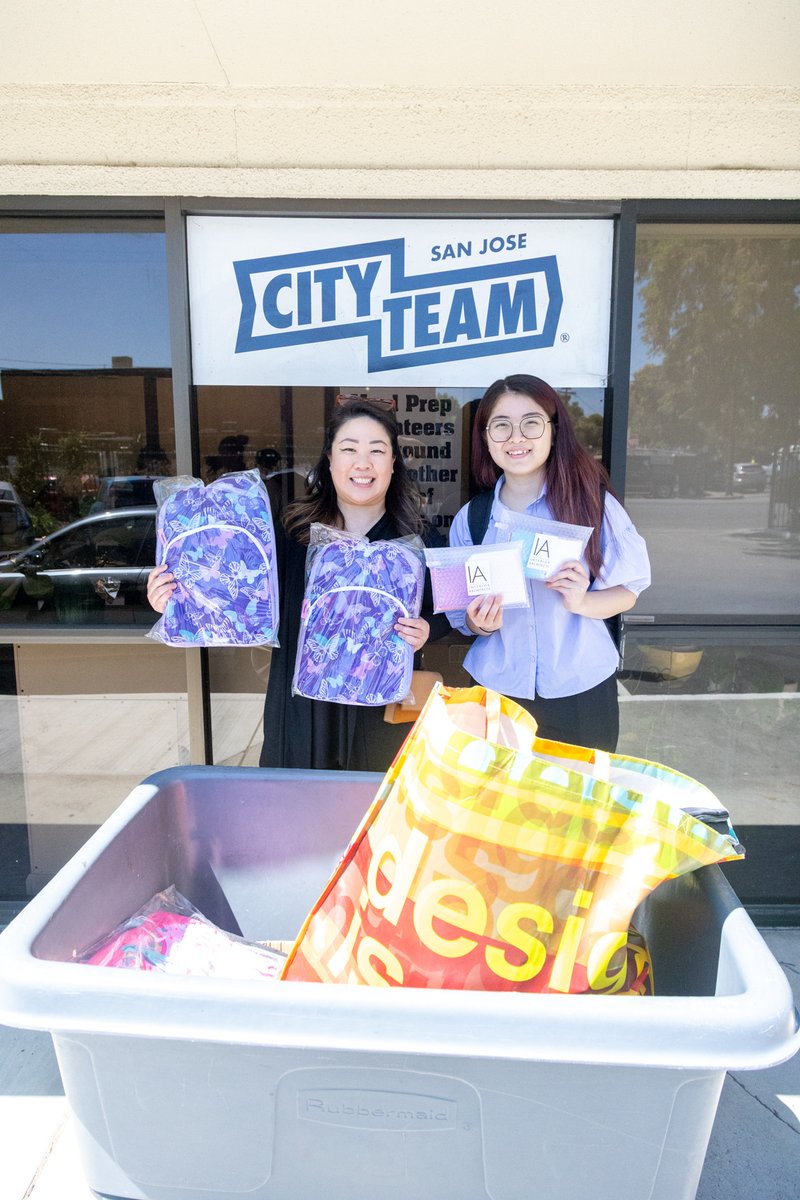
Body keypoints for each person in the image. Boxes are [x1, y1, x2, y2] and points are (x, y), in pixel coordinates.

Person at [147, 399, 448, 771]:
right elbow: (236, 594)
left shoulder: (417, 541)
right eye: (349, 449)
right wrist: (176, 596)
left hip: (380, 712)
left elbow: (449, 614)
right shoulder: (293, 533)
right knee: (297, 817)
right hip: (303, 715)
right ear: (330, 460)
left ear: (393, 462)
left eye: (377, 451)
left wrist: (426, 630)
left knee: (379, 819)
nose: (363, 463)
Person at [448, 374, 650, 751]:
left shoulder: (591, 505)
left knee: (581, 807)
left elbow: (630, 589)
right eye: (501, 426)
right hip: (499, 694)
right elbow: (464, 618)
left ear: (554, 431)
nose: (516, 438)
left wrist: (583, 601)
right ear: (486, 438)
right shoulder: (473, 520)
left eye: (531, 423)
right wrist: (480, 623)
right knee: (502, 806)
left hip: (582, 693)